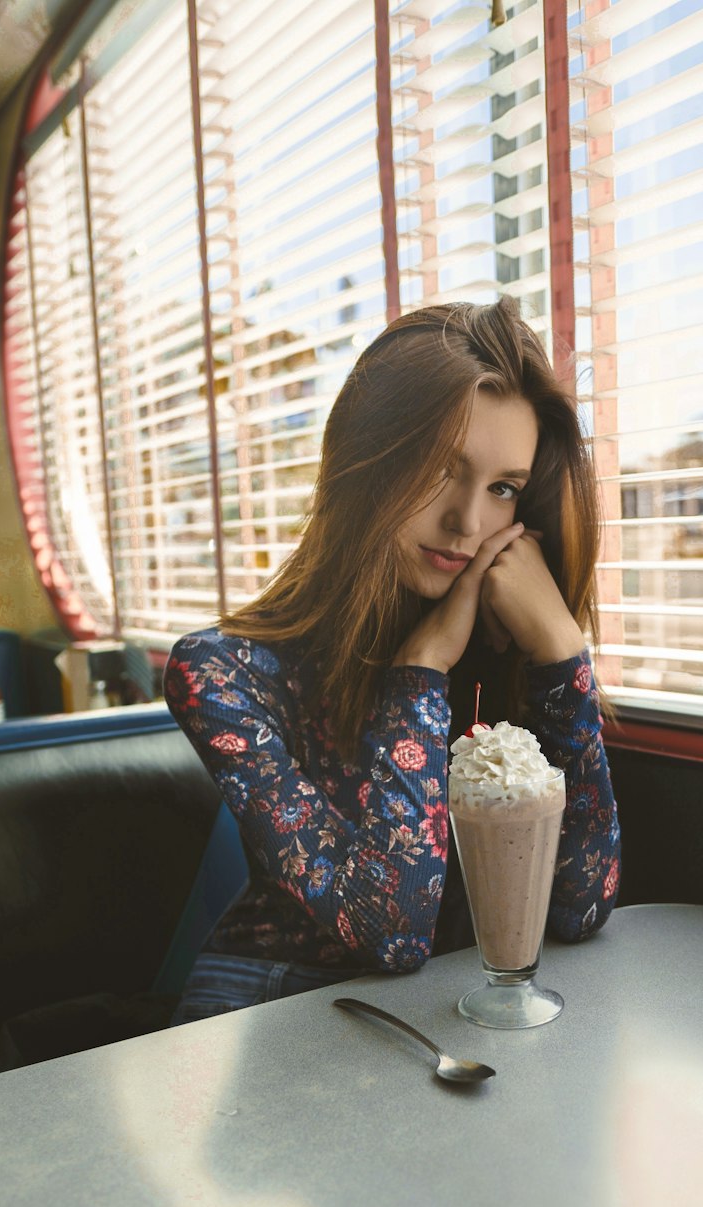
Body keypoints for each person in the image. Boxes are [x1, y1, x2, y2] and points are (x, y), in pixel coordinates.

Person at [163, 298, 620, 1024]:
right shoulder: (221, 673)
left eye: (502, 488)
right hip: (267, 1001)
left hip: (442, 1007)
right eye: (442, 469)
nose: (468, 522)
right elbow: (391, 932)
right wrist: (421, 671)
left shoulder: (504, 653)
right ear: (365, 460)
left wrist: (561, 652)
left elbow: (580, 906)